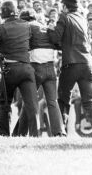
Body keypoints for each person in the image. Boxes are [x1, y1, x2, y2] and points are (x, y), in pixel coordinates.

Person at [47, 0, 92, 137]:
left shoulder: (64, 17)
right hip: (87, 65)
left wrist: (49, 29)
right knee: (89, 101)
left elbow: (55, 38)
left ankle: (61, 130)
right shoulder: (83, 19)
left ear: (65, 6)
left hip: (71, 65)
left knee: (63, 100)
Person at [0, 0, 39, 137]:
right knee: (32, 105)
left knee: (5, 104)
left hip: (9, 69)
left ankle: (4, 135)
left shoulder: (1, 28)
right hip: (27, 68)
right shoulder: (27, 26)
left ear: (3, 13)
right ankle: (35, 135)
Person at [14, 9, 65, 137]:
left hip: (35, 68)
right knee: (52, 101)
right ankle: (59, 132)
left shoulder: (26, 28)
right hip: (50, 67)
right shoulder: (45, 27)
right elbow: (58, 44)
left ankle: (21, 133)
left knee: (29, 101)